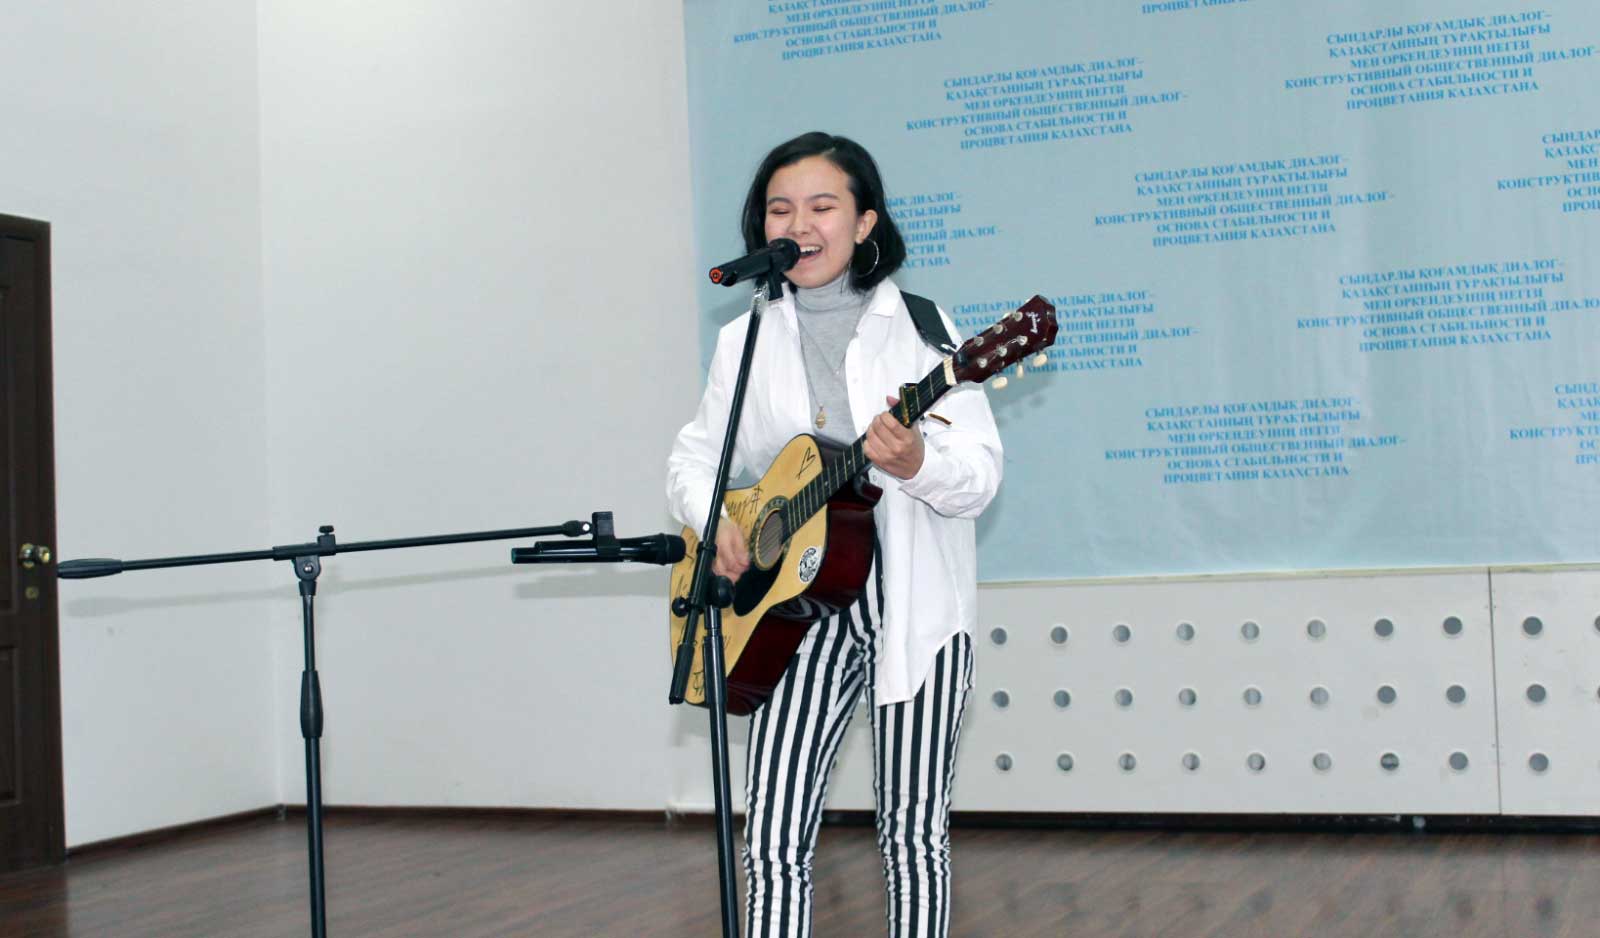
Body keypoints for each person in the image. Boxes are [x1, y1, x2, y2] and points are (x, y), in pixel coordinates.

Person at [666, 131, 1003, 938]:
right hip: (793, 608)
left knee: (912, 836)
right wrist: (718, 520)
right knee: (772, 836)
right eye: (780, 209)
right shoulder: (744, 338)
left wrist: (918, 461)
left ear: (864, 222)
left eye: (823, 206)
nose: (800, 224)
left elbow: (980, 474)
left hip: (911, 605)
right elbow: (695, 458)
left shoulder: (921, 326)